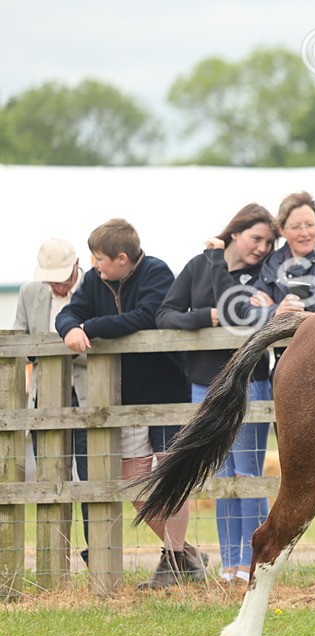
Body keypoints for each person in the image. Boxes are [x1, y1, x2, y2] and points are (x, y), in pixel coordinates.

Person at [54, 218, 201, 589]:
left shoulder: (156, 273)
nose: (94, 264)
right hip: (124, 397)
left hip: (168, 391)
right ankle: (184, 554)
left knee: (171, 475)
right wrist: (72, 327)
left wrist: (90, 328)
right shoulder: (94, 280)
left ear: (122, 258)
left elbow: (146, 317)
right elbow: (69, 312)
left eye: (100, 258)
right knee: (129, 478)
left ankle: (173, 559)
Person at [241, 192, 315, 590]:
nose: (306, 231)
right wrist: (272, 309)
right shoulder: (272, 262)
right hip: (292, 376)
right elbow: (251, 305)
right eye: (297, 226)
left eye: (310, 224)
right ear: (283, 231)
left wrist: (297, 308)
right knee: (306, 474)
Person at [158, 204, 277, 584]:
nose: (261, 247)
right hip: (202, 385)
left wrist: (216, 263)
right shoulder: (198, 265)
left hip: (249, 381)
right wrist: (205, 317)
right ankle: (230, 566)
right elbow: (165, 315)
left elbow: (237, 312)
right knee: (221, 475)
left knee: (247, 474)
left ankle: (254, 562)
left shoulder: (266, 275)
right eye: (256, 238)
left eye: (268, 242)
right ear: (235, 232)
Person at [13, 239, 90, 562]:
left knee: (91, 476)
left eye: (63, 277)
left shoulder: (92, 288)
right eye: (52, 279)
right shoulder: (30, 293)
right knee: (50, 477)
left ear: (76, 267)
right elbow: (20, 338)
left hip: (88, 395)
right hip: (44, 397)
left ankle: (96, 553)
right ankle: (51, 555)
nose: (58, 285)